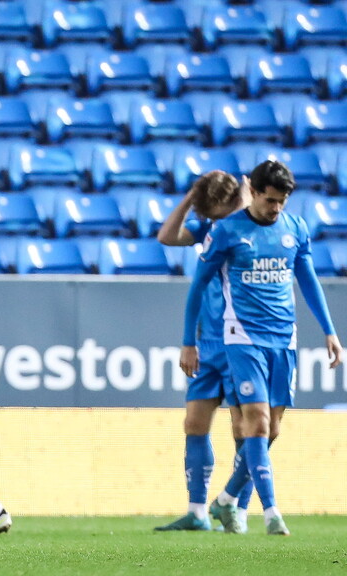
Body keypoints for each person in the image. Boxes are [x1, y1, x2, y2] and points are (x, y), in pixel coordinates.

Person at [183, 160, 344, 536]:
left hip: (284, 339)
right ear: (252, 192)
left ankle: (225, 499)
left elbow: (308, 279)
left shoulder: (295, 228)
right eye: (270, 200)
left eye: (282, 201)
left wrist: (330, 331)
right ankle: (272, 513)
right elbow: (198, 286)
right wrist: (189, 342)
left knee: (271, 430)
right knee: (255, 421)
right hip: (242, 338)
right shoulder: (227, 231)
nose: (276, 208)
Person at [154, 171, 252, 533]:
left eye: (214, 210)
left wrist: (243, 195)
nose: (210, 217)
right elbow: (166, 236)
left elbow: (244, 213)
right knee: (195, 423)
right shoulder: (209, 228)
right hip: (208, 342)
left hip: (241, 339)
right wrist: (191, 196)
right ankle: (197, 512)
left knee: (245, 428)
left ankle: (237, 510)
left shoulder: (248, 227)